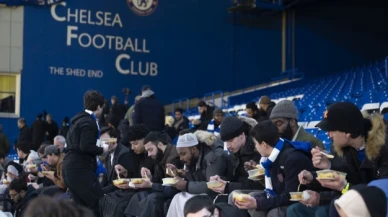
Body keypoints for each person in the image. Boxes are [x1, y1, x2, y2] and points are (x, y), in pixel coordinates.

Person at [231, 120, 314, 217]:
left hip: (301, 202)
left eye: (256, 144)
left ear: (264, 145)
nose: (256, 148)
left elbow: (290, 195)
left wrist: (259, 203)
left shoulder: (292, 159)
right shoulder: (269, 158)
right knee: (246, 197)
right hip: (278, 195)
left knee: (273, 212)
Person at [62, 90, 109, 217]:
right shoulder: (89, 122)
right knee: (97, 203)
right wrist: (102, 150)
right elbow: (86, 146)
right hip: (79, 168)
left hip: (69, 168)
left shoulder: (78, 120)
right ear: (99, 106)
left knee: (81, 207)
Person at [166, 131, 228, 217]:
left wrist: (185, 185)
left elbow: (213, 187)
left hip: (217, 197)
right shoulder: (192, 159)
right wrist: (177, 176)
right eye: (179, 155)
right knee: (178, 197)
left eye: (183, 154)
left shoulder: (213, 157)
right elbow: (195, 180)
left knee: (180, 198)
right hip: (204, 195)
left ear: (194, 150)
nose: (181, 158)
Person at [100, 126, 131, 194]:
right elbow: (105, 178)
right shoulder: (108, 156)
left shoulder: (124, 154)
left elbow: (120, 182)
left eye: (106, 140)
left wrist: (101, 192)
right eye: (102, 142)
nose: (103, 144)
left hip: (121, 193)